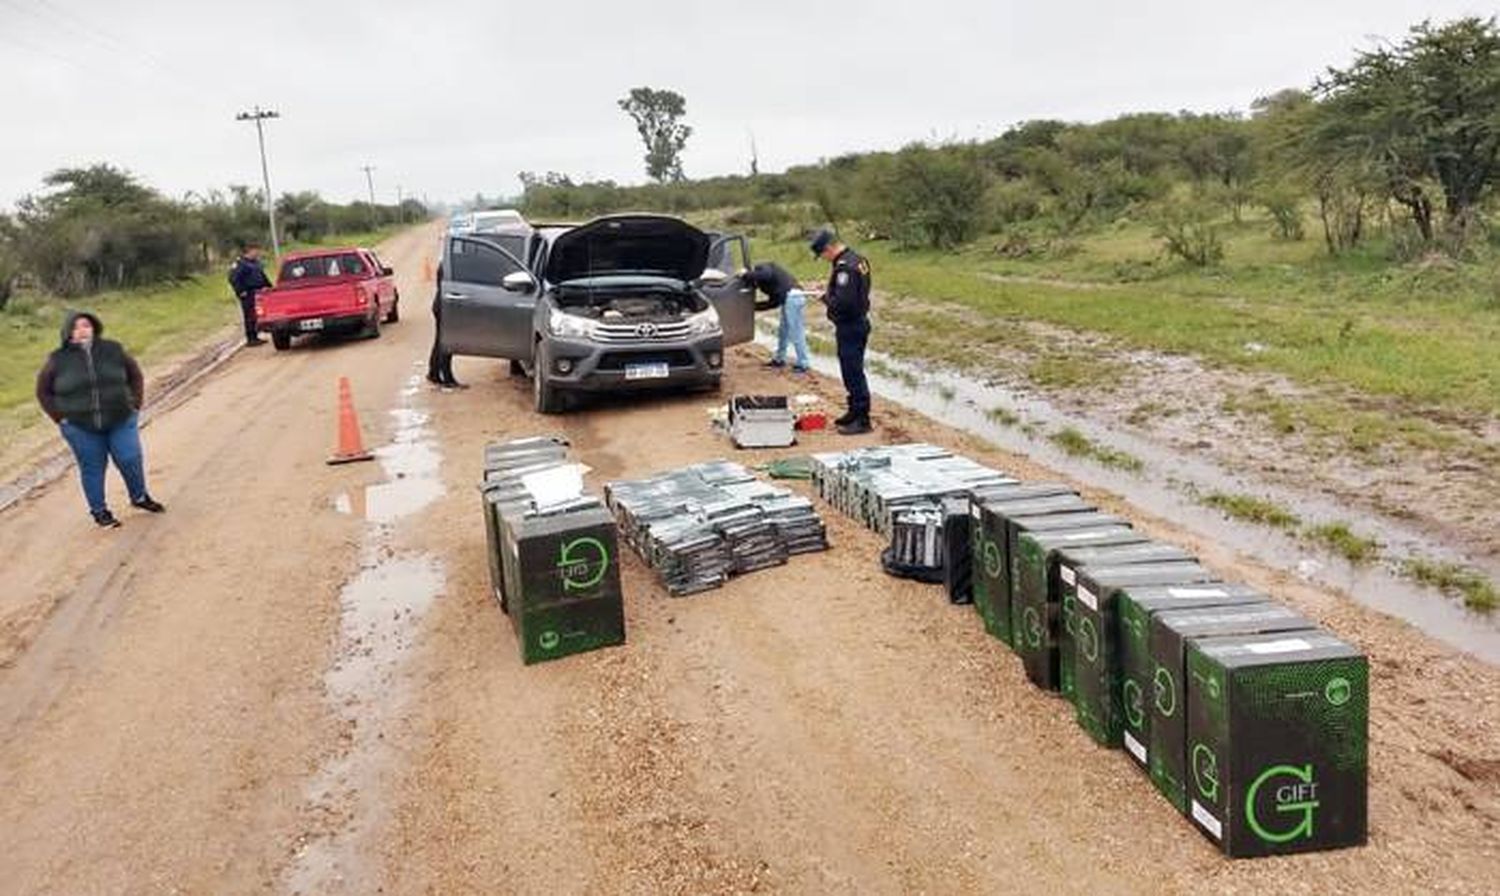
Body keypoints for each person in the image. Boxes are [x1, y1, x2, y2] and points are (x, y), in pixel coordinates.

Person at [35, 311, 166, 528]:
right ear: (68, 333)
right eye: (76, 328)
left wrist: (134, 404)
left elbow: (135, 375)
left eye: (86, 325)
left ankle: (140, 497)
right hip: (80, 426)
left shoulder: (113, 350)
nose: (82, 331)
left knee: (129, 457)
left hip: (120, 418)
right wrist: (60, 418)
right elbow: (43, 392)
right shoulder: (57, 360)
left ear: (94, 327)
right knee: (93, 467)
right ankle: (100, 511)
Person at [810, 228, 872, 435]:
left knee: (853, 372)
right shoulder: (857, 259)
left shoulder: (845, 268)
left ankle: (862, 419)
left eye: (822, 255)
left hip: (850, 325)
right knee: (850, 370)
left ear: (828, 248)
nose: (824, 259)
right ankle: (854, 411)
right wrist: (828, 290)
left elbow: (844, 302)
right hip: (855, 322)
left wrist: (823, 298)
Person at [743, 262, 811, 374]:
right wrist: (752, 307)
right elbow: (773, 303)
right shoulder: (769, 283)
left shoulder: (762, 267)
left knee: (796, 332)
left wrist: (745, 275)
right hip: (790, 298)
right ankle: (779, 359)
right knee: (783, 332)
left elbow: (765, 274)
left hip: (793, 297)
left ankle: (803, 363)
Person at [426, 261, 466, 388]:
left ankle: (434, 373)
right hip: (444, 306)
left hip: (441, 304)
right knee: (445, 342)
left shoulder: (446, 263)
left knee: (440, 341)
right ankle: (446, 377)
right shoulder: (449, 265)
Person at [228, 241, 273, 347]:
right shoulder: (240, 263)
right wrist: (240, 291)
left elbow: (262, 276)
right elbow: (233, 278)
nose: (258, 253)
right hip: (248, 293)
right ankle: (251, 338)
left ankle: (256, 335)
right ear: (249, 251)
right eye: (256, 251)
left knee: (257, 314)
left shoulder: (255, 263)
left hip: (258, 292)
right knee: (249, 315)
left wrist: (269, 287)